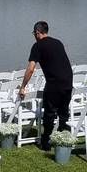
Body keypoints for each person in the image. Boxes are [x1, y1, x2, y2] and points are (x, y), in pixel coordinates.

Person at [19, 21, 73, 151]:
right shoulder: (58, 42)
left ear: (38, 32)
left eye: (34, 33)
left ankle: (46, 142)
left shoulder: (37, 46)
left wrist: (23, 86)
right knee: (63, 112)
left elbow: (31, 69)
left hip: (54, 82)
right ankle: (62, 140)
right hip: (68, 81)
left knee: (49, 112)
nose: (34, 35)